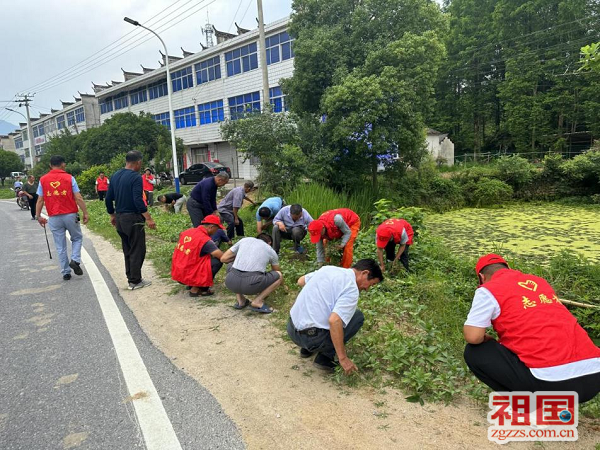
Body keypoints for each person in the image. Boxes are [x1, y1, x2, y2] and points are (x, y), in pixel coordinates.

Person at [463, 254, 600, 403]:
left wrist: (486, 339)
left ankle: (528, 407)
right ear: (509, 268)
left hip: (552, 384)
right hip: (593, 378)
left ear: (482, 277)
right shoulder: (540, 282)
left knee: (474, 352)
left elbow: (473, 336)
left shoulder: (488, 289)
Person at [287, 259, 383, 373]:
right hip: (311, 339)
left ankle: (306, 349)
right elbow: (334, 321)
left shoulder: (328, 269)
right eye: (371, 284)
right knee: (357, 317)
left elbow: (301, 281)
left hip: (291, 329)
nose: (367, 289)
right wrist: (343, 358)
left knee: (328, 308)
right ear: (365, 273)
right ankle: (325, 357)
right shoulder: (351, 288)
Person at [105, 151, 156, 290]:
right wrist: (148, 218)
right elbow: (138, 200)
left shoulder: (115, 175)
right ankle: (135, 281)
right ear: (138, 162)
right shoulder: (136, 177)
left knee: (127, 248)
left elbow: (108, 198)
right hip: (133, 218)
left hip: (120, 218)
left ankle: (131, 278)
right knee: (137, 249)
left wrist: (112, 214)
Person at [35, 155, 89, 280]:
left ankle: (65, 272)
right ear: (63, 164)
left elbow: (40, 200)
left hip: (54, 217)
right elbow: (78, 197)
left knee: (60, 245)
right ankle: (75, 260)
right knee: (77, 238)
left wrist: (38, 216)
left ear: (50, 165)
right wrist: (85, 212)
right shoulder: (69, 178)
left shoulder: (43, 180)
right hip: (70, 214)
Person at [221, 233, 282, 314]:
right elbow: (276, 271)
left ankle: (241, 301)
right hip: (251, 285)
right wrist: (283, 285)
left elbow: (223, 259)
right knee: (279, 275)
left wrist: (239, 258)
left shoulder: (244, 240)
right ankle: (257, 301)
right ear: (269, 242)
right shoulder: (270, 250)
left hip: (230, 282)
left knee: (231, 265)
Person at [171, 215, 225, 297]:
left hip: (178, 272)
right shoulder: (205, 240)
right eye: (217, 229)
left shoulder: (187, 232)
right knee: (217, 262)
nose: (217, 231)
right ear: (211, 227)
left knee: (201, 258)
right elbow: (223, 257)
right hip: (188, 273)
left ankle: (190, 284)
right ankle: (198, 289)